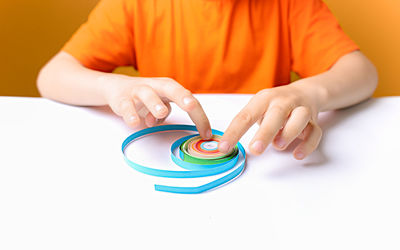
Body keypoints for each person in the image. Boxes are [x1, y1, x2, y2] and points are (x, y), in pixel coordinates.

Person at [37, 0, 378, 160]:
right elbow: (52, 76)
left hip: (264, 165)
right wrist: (114, 88)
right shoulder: (134, 5)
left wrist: (310, 93)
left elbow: (362, 72)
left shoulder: (289, 5)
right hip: (165, 165)